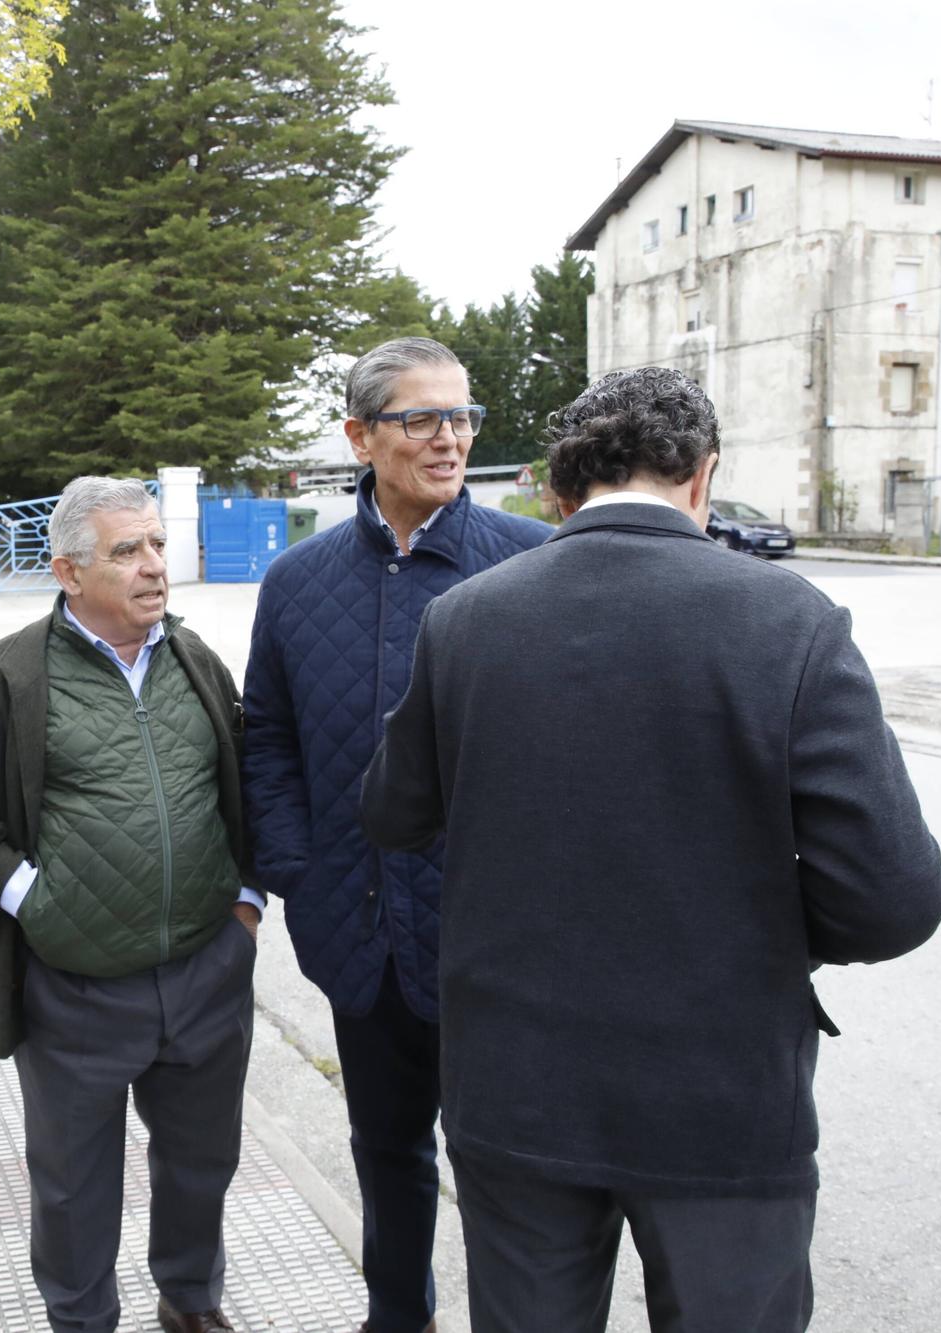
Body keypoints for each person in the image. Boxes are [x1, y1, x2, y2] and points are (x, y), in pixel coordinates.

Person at [360, 366, 941, 1333]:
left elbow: (391, 813)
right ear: (704, 477)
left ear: (561, 488)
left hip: (518, 1094)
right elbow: (896, 899)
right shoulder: (789, 621)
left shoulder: (466, 619)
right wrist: (766, 938)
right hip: (722, 1098)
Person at [241, 336, 551, 1333]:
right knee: (385, 1155)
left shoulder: (532, 563)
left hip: (492, 947)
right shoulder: (297, 582)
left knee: (507, 1170)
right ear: (359, 436)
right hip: (359, 935)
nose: (448, 438)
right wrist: (299, 869)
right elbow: (267, 737)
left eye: (460, 416)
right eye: (421, 418)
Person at [0, 476, 260, 1333]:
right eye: (127, 551)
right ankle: (81, 1319)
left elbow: (245, 785)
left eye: (155, 545)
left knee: (201, 1162)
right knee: (73, 1184)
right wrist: (38, 899)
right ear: (68, 570)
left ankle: (190, 1302)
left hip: (205, 973)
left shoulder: (195, 661)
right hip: (72, 988)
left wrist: (246, 904)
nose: (155, 566)